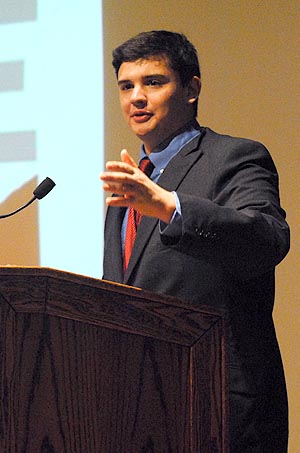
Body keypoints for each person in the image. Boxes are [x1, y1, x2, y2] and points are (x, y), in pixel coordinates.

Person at [100, 30, 290, 452]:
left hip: (218, 404)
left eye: (153, 82)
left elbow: (267, 239)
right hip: (136, 411)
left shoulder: (236, 157)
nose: (136, 97)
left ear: (192, 88)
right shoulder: (133, 183)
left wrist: (171, 207)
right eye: (126, 86)